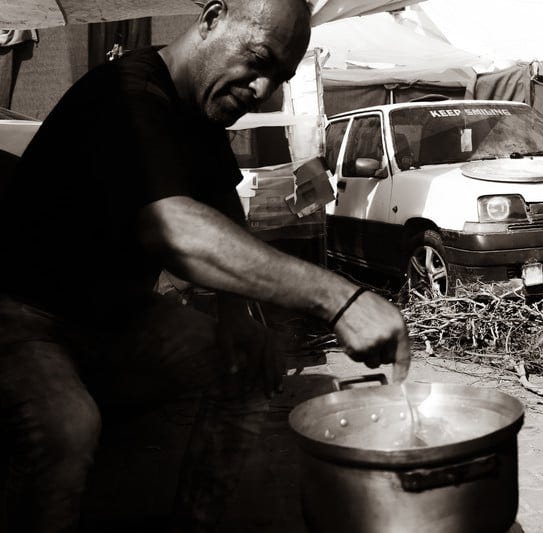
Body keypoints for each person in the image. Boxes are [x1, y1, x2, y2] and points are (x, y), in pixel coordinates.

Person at [0, 0, 410, 531]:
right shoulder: (124, 95)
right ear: (213, 17)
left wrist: (241, 319)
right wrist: (342, 299)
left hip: (114, 318)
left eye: (280, 77)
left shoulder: (202, 117)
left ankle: (197, 519)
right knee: (66, 428)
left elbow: (224, 220)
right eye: (258, 60)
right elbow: (175, 229)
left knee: (245, 363)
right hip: (25, 315)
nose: (263, 89)